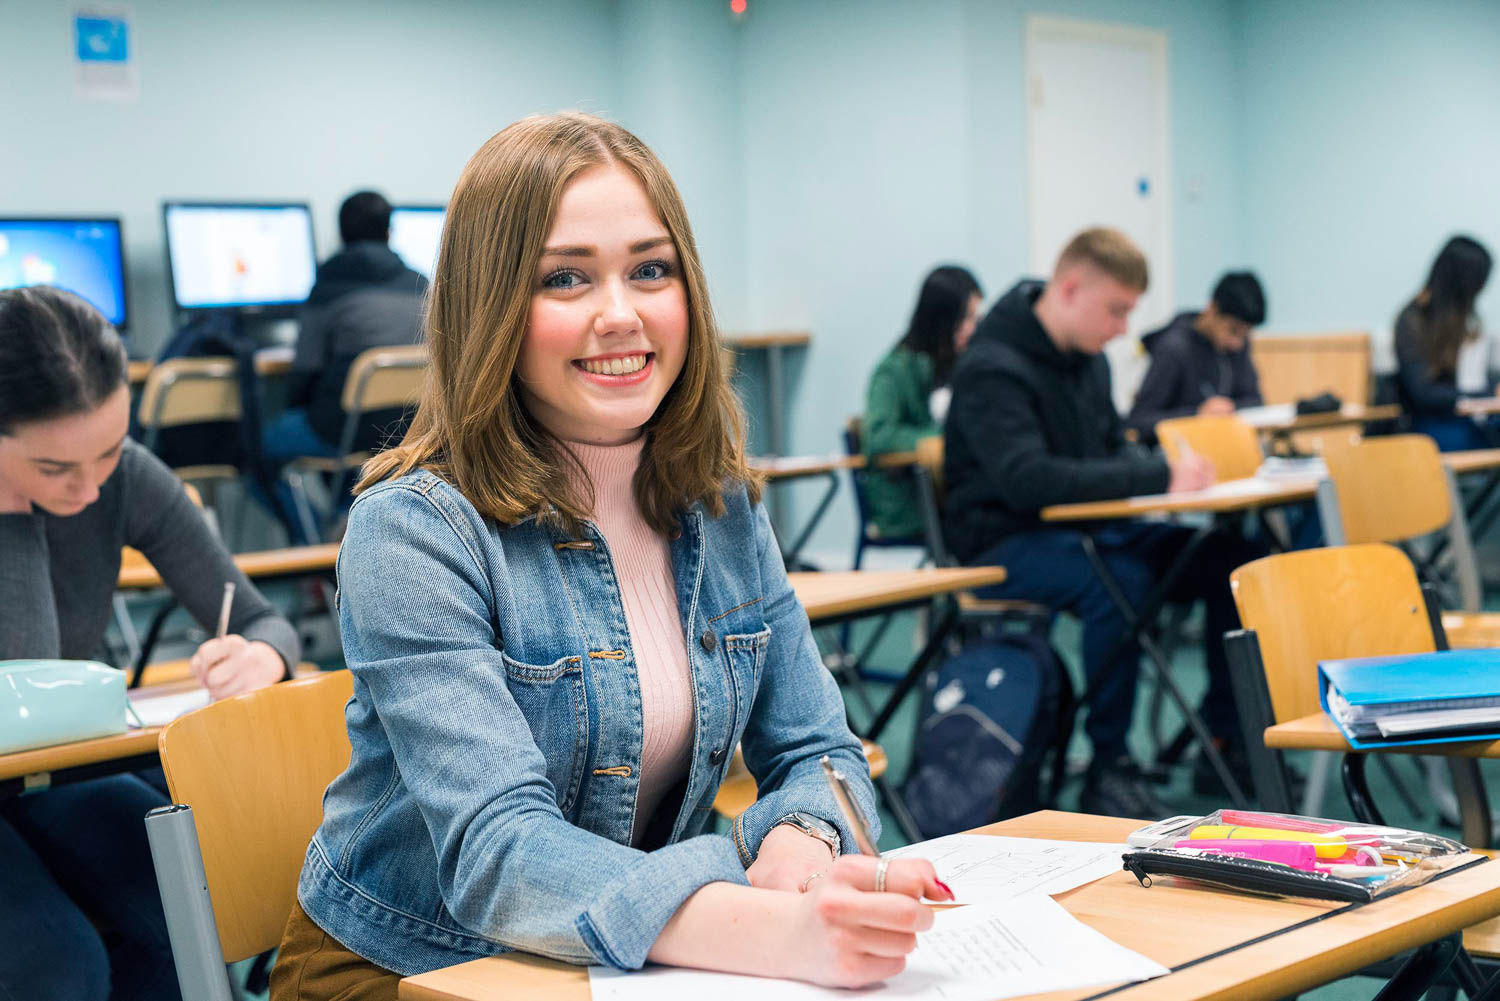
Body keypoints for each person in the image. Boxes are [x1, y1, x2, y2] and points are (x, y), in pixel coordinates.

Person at [269, 113, 950, 1000]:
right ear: (492, 308)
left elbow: (818, 750)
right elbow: (501, 851)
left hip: (628, 961)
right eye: (565, 278)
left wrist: (804, 845)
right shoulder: (413, 530)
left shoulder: (724, 503)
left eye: (650, 269)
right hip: (414, 965)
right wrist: (770, 928)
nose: (620, 313)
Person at [0, 285, 300, 1000]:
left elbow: (266, 619)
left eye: (106, 450)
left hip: (57, 774)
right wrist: (14, 518)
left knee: (188, 915)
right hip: (30, 765)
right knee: (60, 966)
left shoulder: (122, 472)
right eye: (54, 468)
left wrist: (263, 657)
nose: (90, 486)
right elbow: (23, 694)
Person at [943, 228, 1264, 816]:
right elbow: (1029, 480)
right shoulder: (992, 366)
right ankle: (1109, 765)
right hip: (1001, 542)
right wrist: (1155, 477)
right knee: (1120, 582)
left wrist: (1164, 467)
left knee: (1232, 561)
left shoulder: (1089, 363)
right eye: (1116, 310)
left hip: (1088, 530)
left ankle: (1227, 741)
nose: (1123, 329)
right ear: (1069, 289)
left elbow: (1111, 449)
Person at [259, 190, 429, 541]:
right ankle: (342, 522)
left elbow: (303, 374)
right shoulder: (421, 283)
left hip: (345, 430)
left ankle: (313, 545)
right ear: (388, 233)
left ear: (341, 237)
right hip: (412, 430)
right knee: (354, 446)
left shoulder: (328, 288)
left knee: (256, 448)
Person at [861, 265, 982, 540]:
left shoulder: (965, 365)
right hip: (909, 502)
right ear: (943, 319)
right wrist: (946, 440)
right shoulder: (893, 370)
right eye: (968, 318)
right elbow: (879, 437)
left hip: (952, 494)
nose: (974, 329)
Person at [1127, 271, 1267, 441]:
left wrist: (1229, 407)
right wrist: (1197, 414)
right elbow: (1139, 421)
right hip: (1178, 455)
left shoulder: (1237, 348)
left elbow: (1255, 401)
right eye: (1233, 330)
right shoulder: (1173, 349)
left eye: (1245, 335)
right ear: (1212, 310)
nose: (1237, 343)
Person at [1394, 235, 1496, 452]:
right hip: (1436, 423)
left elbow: (1478, 379)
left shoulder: (1469, 323)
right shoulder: (1412, 321)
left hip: (1473, 417)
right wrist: (1483, 395)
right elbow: (1424, 394)